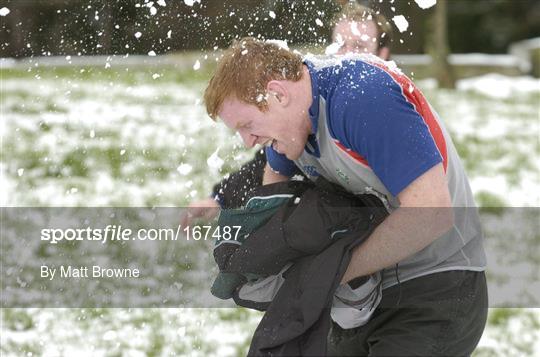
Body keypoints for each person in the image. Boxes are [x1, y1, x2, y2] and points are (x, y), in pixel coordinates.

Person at [203, 37, 488, 356]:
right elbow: (274, 184)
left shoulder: (360, 96)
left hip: (437, 286)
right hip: (362, 298)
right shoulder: (289, 129)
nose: (247, 142)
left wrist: (329, 273)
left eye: (248, 125)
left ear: (278, 93)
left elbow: (432, 213)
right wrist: (262, 251)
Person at [182, 3, 393, 224]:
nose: (347, 54)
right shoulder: (314, 101)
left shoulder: (385, 111)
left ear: (382, 54)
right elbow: (269, 158)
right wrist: (220, 198)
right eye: (340, 45)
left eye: (358, 46)